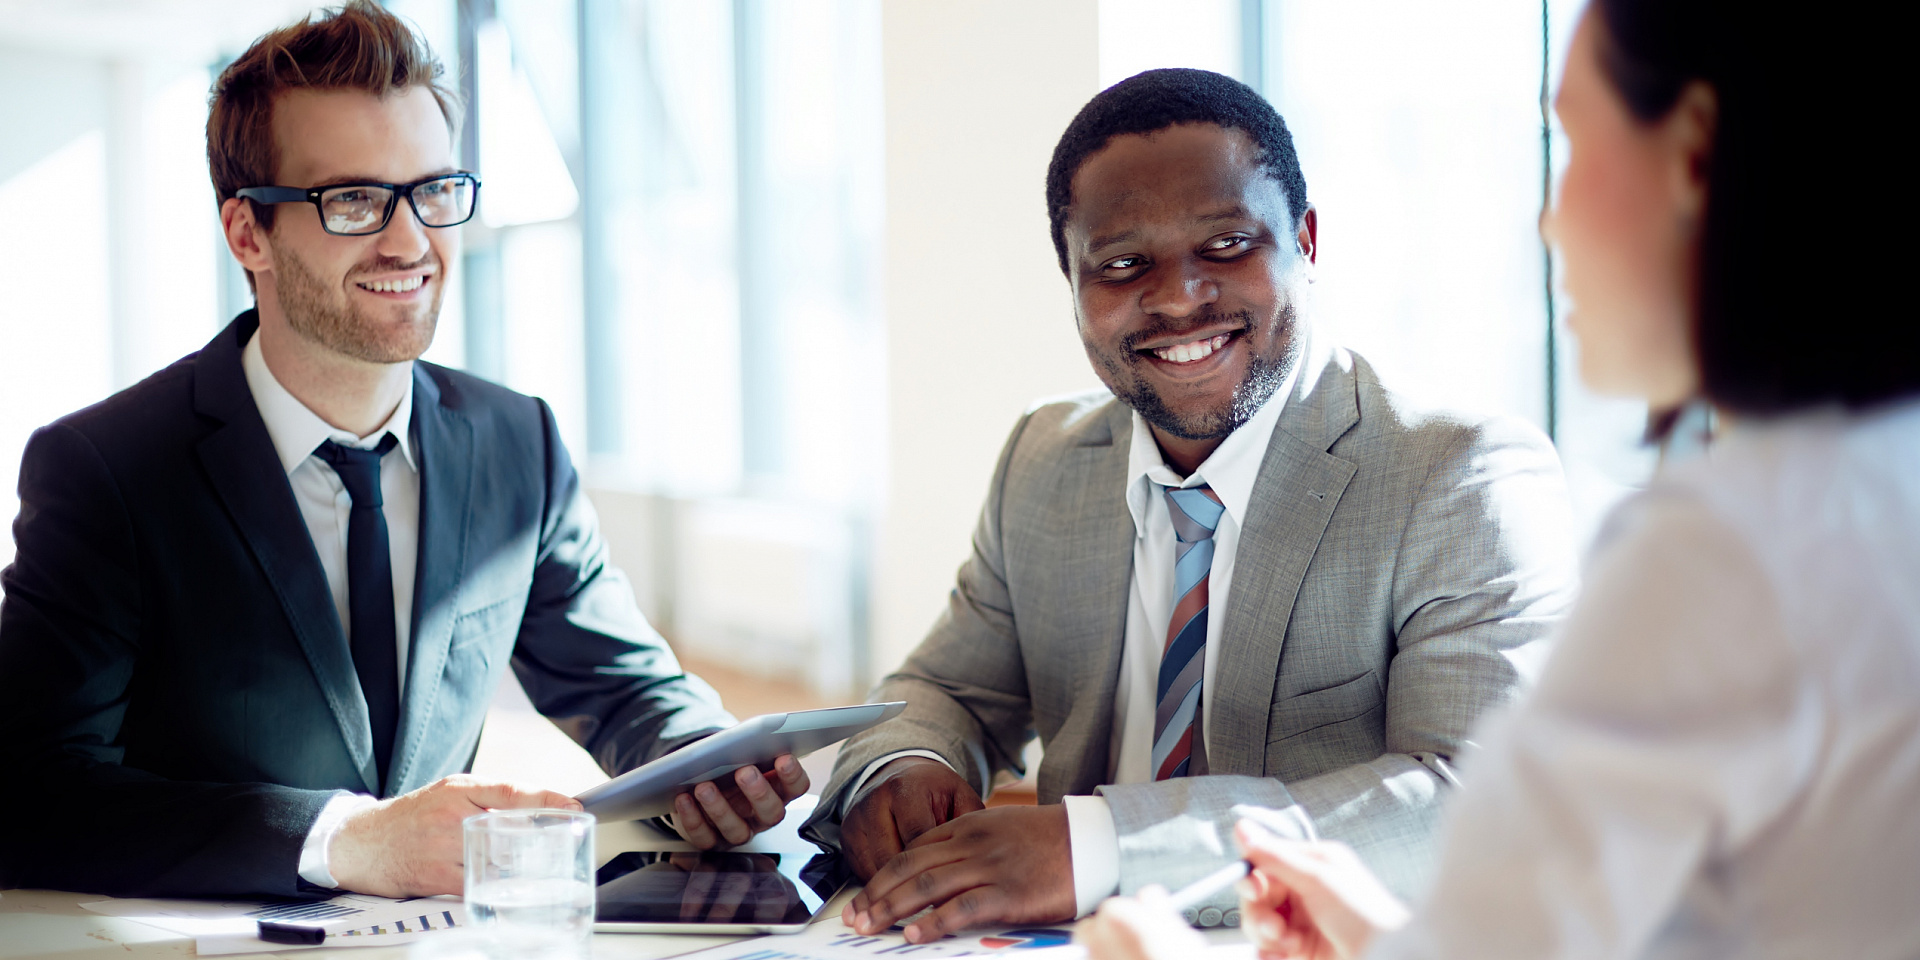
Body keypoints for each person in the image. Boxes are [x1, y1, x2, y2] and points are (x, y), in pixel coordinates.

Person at [1079, 1, 1920, 957]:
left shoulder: (1723, 554)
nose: (1550, 221)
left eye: (1571, 143)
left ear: (1689, 155)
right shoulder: (1882, 487)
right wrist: (1391, 938)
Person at [0, 1, 807, 900]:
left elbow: (623, 686)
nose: (411, 239)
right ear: (246, 233)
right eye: (353, 199)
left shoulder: (517, 442)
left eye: (433, 189)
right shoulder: (108, 470)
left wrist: (706, 755)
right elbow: (28, 795)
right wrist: (351, 841)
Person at [813, 68, 1580, 943]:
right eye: (1123, 264)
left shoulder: (1459, 474)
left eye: (1225, 246)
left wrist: (1098, 850)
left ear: (1306, 239)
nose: (1179, 297)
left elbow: (1473, 804)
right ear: (1070, 279)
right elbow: (943, 687)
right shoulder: (1045, 460)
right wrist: (905, 764)